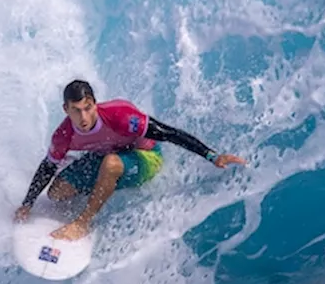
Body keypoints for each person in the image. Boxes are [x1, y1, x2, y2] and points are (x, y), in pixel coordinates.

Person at [14, 79, 246, 241]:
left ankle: (83, 223)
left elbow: (168, 133)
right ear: (66, 109)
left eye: (88, 108)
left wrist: (212, 155)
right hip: (104, 156)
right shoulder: (63, 135)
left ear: (94, 103)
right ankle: (105, 186)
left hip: (145, 158)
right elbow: (47, 167)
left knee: (111, 164)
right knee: (57, 193)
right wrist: (27, 204)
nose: (84, 117)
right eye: (76, 110)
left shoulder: (121, 116)